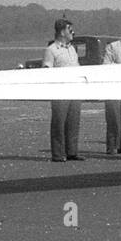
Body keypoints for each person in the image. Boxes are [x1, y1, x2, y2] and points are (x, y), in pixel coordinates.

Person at [42, 18, 82, 161]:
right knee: (59, 122)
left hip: (75, 90)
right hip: (60, 91)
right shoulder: (51, 50)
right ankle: (58, 154)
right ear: (62, 32)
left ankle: (72, 151)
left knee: (73, 121)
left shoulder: (72, 48)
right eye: (70, 30)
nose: (73, 32)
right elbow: (47, 69)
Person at [102, 27, 121, 156]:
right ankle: (112, 147)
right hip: (113, 87)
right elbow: (106, 65)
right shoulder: (112, 47)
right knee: (113, 118)